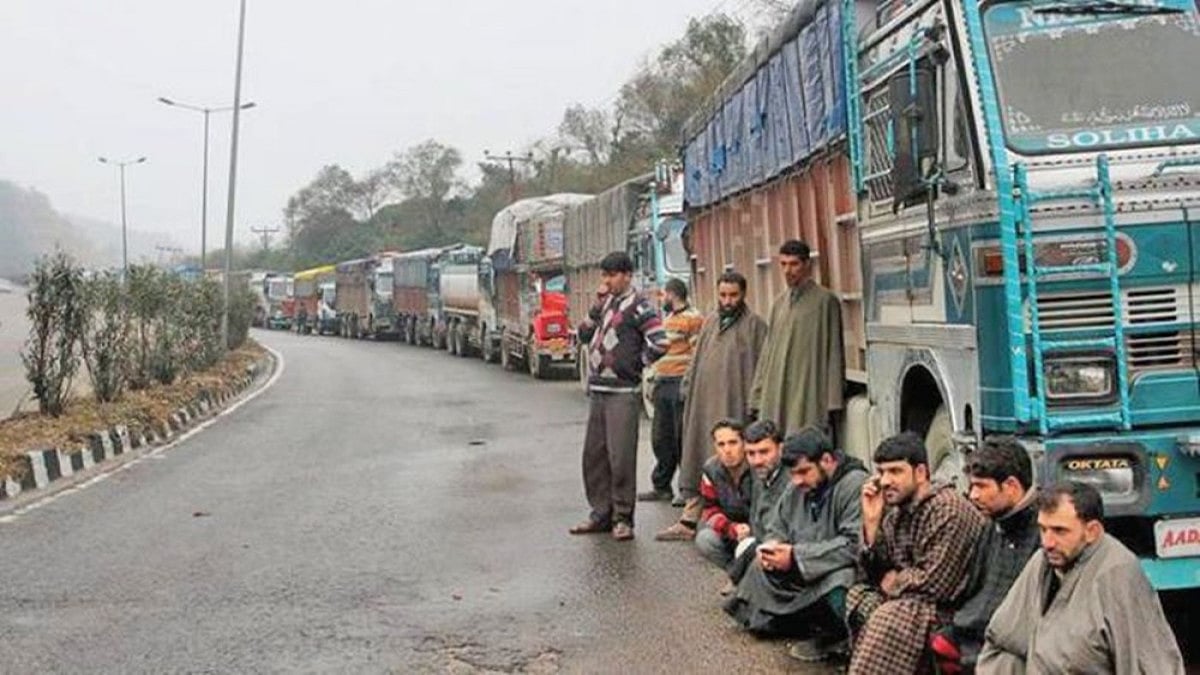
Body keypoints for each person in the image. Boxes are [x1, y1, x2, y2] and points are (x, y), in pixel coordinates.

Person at [978, 481, 1184, 675]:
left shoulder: (1116, 574)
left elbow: (1149, 664)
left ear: (1092, 531)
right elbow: (1002, 635)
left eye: (1060, 531)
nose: (1048, 542)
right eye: (1043, 529)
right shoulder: (1044, 561)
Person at [846, 432, 986, 675]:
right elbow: (873, 572)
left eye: (895, 471)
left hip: (951, 608)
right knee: (859, 597)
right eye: (881, 472)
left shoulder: (947, 508)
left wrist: (894, 581)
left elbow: (934, 584)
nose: (885, 481)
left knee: (890, 616)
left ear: (920, 472)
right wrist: (871, 521)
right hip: (913, 600)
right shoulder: (897, 513)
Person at [725, 427, 868, 663]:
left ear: (826, 460)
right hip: (801, 569)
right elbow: (777, 526)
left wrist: (796, 556)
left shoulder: (854, 485)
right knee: (756, 567)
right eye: (793, 473)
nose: (796, 480)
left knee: (841, 582)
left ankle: (840, 637)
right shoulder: (798, 485)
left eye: (803, 472)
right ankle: (802, 624)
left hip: (835, 567)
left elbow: (854, 545)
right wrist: (773, 547)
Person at [656, 272, 767, 541]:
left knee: (734, 463)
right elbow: (696, 361)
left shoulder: (755, 326)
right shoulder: (710, 322)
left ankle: (736, 525)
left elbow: (763, 370)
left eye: (733, 295)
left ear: (743, 295)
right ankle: (690, 519)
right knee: (698, 456)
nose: (727, 301)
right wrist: (688, 388)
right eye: (723, 295)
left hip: (735, 405)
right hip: (704, 404)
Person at [568, 251, 668, 541]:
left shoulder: (640, 306)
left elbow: (661, 342)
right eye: (605, 275)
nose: (607, 281)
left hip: (622, 391)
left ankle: (623, 517)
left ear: (627, 275)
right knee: (594, 456)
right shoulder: (607, 303)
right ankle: (600, 513)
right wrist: (595, 307)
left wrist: (637, 363)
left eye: (611, 275)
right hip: (598, 390)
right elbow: (584, 335)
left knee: (620, 456)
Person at [934, 437, 1040, 672]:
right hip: (975, 628)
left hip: (1011, 638)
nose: (972, 495)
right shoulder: (993, 524)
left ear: (1011, 486)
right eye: (972, 487)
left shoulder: (1043, 530)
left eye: (981, 486)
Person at [749, 240, 844, 436]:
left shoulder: (825, 301)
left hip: (808, 390)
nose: (787, 270)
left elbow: (835, 351)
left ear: (807, 265)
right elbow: (767, 353)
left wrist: (833, 400)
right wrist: (757, 395)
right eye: (783, 264)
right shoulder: (779, 303)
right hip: (778, 388)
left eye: (794, 264)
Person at [639, 277, 703, 503]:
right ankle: (661, 485)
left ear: (673, 294)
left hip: (679, 384)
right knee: (661, 438)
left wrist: (689, 382)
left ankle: (686, 489)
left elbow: (697, 353)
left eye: (663, 295)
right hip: (663, 383)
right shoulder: (668, 319)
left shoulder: (692, 319)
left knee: (680, 437)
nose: (662, 299)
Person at [725, 419, 791, 585]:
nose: (757, 460)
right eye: (751, 454)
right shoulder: (759, 473)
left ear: (780, 449)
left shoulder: (792, 478)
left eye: (764, 452)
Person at [694, 420, 752, 569]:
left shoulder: (757, 465)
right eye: (721, 444)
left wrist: (751, 530)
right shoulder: (710, 469)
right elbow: (710, 510)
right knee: (705, 539)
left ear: (744, 444)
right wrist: (732, 528)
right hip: (732, 529)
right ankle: (736, 576)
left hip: (758, 530)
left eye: (733, 443)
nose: (727, 450)